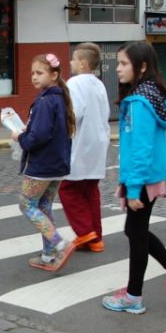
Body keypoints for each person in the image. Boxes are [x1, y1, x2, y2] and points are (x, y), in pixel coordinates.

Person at [102, 41, 166, 314]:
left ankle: (137, 294)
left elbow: (140, 149)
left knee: (135, 231)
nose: (117, 69)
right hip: (151, 175)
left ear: (141, 67)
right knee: (136, 231)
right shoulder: (152, 93)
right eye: (117, 63)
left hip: (142, 178)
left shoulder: (139, 102)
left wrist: (132, 189)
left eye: (123, 64)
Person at [14, 52, 80, 271]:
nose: (34, 77)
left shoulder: (45, 101)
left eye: (39, 73)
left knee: (26, 204)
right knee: (43, 206)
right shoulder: (60, 97)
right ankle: (48, 255)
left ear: (54, 75)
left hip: (42, 165)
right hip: (58, 164)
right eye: (32, 72)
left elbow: (39, 136)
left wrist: (21, 137)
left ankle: (58, 243)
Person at [61, 42, 110, 252]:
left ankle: (85, 231)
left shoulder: (74, 83)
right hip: (99, 141)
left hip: (81, 143)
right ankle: (95, 237)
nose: (70, 63)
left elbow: (74, 113)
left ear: (82, 63)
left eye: (73, 59)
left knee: (68, 190)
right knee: (91, 191)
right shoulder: (99, 84)